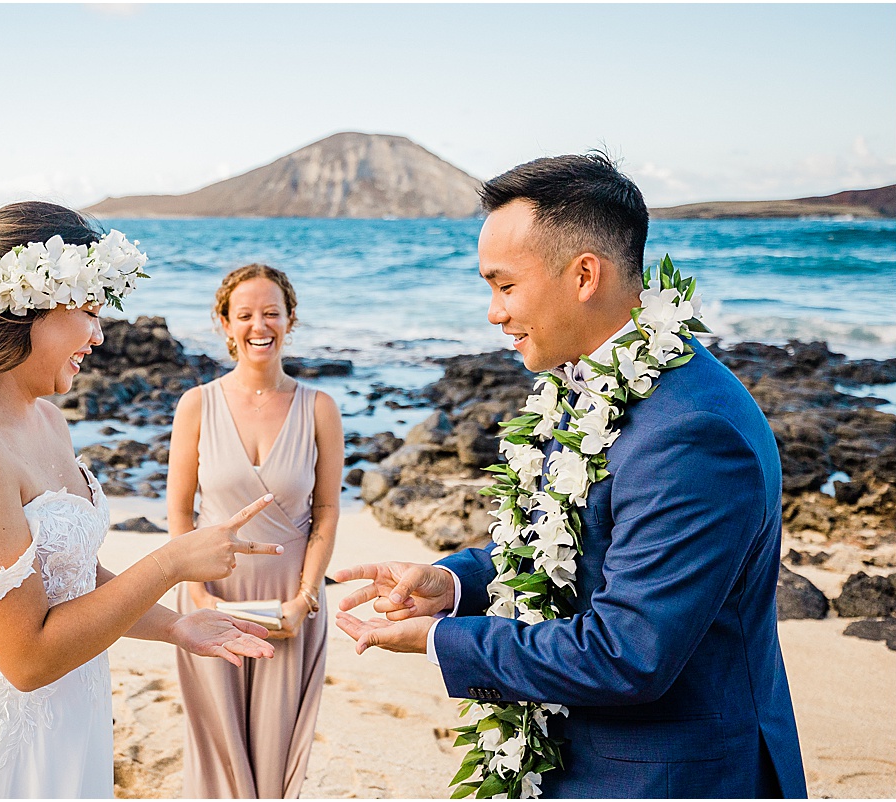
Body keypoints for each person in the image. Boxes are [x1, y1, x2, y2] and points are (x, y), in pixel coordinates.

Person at [334, 155, 807, 798]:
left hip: (668, 777)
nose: (494, 314)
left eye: (504, 286)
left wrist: (443, 641)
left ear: (585, 275)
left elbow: (628, 653)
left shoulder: (692, 431)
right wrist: (451, 585)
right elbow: (574, 547)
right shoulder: (580, 384)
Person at [0, 202, 282, 799]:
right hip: (5, 750)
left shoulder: (48, 420)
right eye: (89, 310)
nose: (99, 334)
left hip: (73, 724)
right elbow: (28, 658)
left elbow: (69, 579)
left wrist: (178, 627)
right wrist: (169, 564)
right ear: (28, 305)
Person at [166, 263, 344, 797]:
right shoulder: (196, 405)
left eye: (271, 312)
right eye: (245, 314)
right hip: (210, 596)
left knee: (275, 750)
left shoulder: (320, 408)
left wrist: (307, 596)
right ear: (225, 323)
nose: (258, 325)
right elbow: (179, 512)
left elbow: (328, 511)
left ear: (291, 320)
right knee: (217, 744)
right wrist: (195, 592)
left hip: (290, 598)